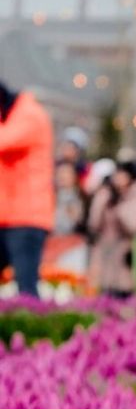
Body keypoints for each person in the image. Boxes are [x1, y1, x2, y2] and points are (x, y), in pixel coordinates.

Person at [0, 80, 54, 298]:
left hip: (27, 218)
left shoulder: (30, 115)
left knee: (26, 286)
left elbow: (3, 140)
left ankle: (31, 329)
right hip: (7, 215)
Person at [85, 162, 136, 299]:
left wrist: (119, 206)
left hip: (125, 253)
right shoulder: (106, 194)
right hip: (104, 252)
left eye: (121, 174)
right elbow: (93, 223)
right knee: (103, 293)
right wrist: (102, 199)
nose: (117, 178)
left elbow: (133, 226)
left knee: (124, 292)